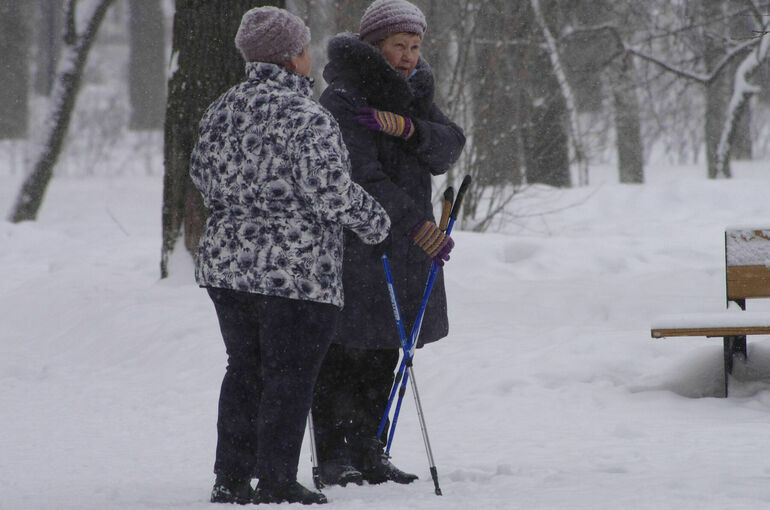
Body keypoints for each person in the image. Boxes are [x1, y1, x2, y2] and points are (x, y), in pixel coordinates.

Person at [189, 6, 393, 505]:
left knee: (244, 369)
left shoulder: (222, 108)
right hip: (297, 271)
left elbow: (200, 175)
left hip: (228, 267)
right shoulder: (307, 115)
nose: (309, 56)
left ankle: (230, 477)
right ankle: (276, 479)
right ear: (291, 57)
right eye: (305, 48)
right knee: (290, 373)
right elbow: (330, 189)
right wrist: (377, 223)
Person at [311, 0, 466, 487]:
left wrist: (407, 126)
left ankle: (370, 449)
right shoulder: (344, 96)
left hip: (404, 246)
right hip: (358, 242)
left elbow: (450, 144)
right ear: (375, 46)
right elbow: (360, 175)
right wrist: (417, 224)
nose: (407, 56)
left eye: (415, 46)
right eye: (398, 46)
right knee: (346, 348)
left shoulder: (415, 90)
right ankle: (335, 456)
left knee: (386, 347)